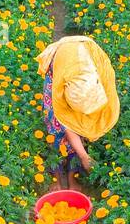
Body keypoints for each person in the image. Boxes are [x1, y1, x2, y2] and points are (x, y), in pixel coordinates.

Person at [37, 35, 120, 189]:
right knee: (55, 128)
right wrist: (84, 157)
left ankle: (72, 177)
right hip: (60, 66)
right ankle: (57, 176)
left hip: (83, 59)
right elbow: (67, 125)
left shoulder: (101, 74)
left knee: (81, 130)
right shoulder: (61, 86)